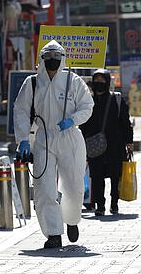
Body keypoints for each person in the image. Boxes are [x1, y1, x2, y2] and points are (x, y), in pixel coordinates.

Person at [13, 40, 94, 249]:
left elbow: (87, 106)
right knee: (45, 188)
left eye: (56, 57)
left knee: (74, 186)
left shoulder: (73, 81)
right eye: (48, 57)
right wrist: (22, 139)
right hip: (44, 139)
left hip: (70, 137)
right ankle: (53, 233)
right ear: (42, 59)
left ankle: (72, 219)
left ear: (62, 58)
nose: (52, 61)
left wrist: (73, 120)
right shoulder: (32, 83)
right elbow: (21, 111)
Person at [80, 69, 134, 216]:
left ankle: (114, 203)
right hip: (93, 145)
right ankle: (100, 205)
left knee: (115, 176)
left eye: (102, 81)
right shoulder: (87, 102)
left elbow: (125, 122)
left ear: (108, 82)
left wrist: (129, 141)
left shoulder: (116, 100)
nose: (99, 84)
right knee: (96, 177)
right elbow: (82, 124)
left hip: (114, 146)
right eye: (96, 81)